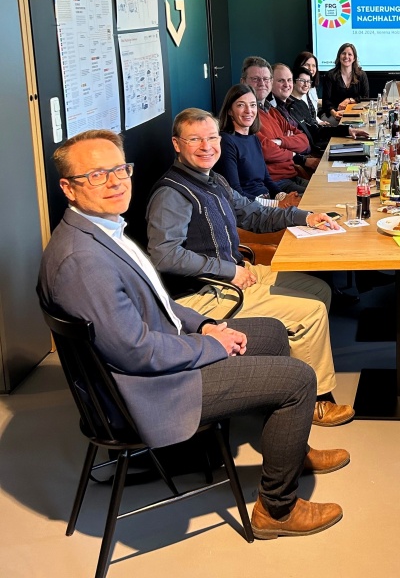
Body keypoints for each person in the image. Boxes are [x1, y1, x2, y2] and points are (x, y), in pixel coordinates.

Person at [38, 129, 349, 540]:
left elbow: (157, 304)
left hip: (159, 363)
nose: (115, 181)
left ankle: (292, 451)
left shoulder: (101, 231)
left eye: (119, 169)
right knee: (298, 380)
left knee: (272, 333)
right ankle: (277, 508)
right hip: (149, 392)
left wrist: (202, 324)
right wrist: (209, 343)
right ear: (68, 188)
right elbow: (135, 353)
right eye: (96, 175)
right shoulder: (83, 260)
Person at [147, 108, 355, 427]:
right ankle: (314, 401)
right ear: (177, 144)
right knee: (311, 312)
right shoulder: (171, 194)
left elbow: (254, 214)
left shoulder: (213, 180)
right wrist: (228, 271)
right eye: (195, 139)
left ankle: (292, 367)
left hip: (236, 273)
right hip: (202, 294)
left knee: (318, 289)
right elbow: (164, 255)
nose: (207, 146)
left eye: (212, 137)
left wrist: (305, 216)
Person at [214, 83, 301, 207]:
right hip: (249, 210)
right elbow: (235, 193)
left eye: (253, 105)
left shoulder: (253, 138)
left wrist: (284, 197)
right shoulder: (226, 141)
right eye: (240, 105)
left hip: (267, 203)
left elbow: (266, 180)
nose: (248, 111)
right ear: (229, 111)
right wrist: (277, 204)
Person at [240, 56, 314, 193]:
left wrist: (279, 142)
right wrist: (291, 151)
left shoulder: (272, 111)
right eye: (255, 79)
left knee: (332, 191)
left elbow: (304, 141)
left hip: (293, 175)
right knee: (321, 202)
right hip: (274, 183)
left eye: (266, 79)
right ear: (243, 82)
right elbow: (266, 151)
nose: (262, 83)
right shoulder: (245, 115)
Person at [287, 64, 370, 153]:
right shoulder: (289, 106)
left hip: (317, 142)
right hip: (313, 149)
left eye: (308, 81)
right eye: (302, 81)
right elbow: (314, 133)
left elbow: (316, 130)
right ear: (293, 81)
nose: (306, 84)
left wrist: (347, 130)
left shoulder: (301, 103)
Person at [321, 43, 370, 120]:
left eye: (350, 54)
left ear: (354, 58)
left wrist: (349, 100)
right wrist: (334, 113)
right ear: (339, 56)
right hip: (333, 114)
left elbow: (365, 97)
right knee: (344, 127)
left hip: (355, 114)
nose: (346, 56)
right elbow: (326, 102)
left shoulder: (361, 75)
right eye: (343, 53)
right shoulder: (330, 75)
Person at [292, 51, 324, 124]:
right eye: (307, 65)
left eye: (314, 66)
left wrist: (320, 122)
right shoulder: (295, 89)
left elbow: (313, 114)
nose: (311, 69)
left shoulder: (312, 88)